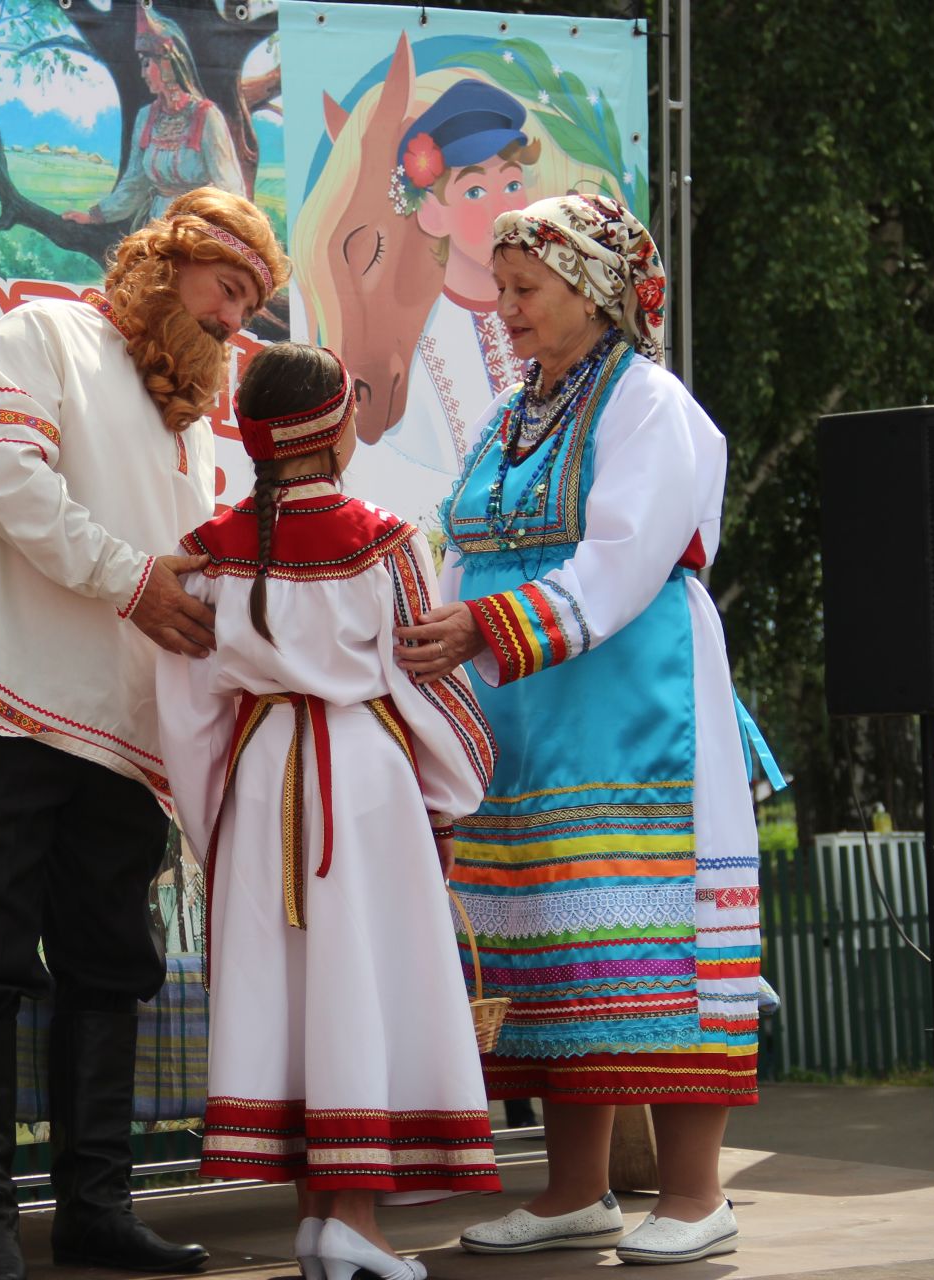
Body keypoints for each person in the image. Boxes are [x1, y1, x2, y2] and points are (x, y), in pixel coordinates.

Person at [0, 185, 286, 1280]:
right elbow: (5, 477)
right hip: (11, 697)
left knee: (111, 965)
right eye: (228, 293)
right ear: (173, 261)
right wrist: (128, 578)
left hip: (127, 729)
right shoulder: (41, 334)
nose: (233, 325)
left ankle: (95, 1209)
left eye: (251, 307)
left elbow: (191, 571)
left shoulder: (189, 422)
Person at [395, 193, 767, 1267]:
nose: (503, 307)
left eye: (525, 289)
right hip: (524, 703)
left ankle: (698, 1194)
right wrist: (438, 646)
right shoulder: (519, 410)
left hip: (629, 692)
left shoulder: (649, 402)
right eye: (502, 287)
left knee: (654, 930)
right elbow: (466, 541)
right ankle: (573, 1188)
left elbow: (626, 553)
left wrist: (484, 624)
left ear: (597, 292)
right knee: (554, 943)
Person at [157, 342, 502, 1280]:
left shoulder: (205, 554)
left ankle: (320, 1220)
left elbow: (187, 717)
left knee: (299, 993)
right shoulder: (384, 541)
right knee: (365, 986)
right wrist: (452, 790)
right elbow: (427, 679)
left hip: (261, 779)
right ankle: (355, 1224)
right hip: (365, 780)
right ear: (334, 429)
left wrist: (216, 829)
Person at [383, 79, 538, 482]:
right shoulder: (416, 345)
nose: (504, 209)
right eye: (474, 192)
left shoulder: (556, 320)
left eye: (512, 184)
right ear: (431, 212)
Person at [64, 7, 244, 231]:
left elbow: (231, 188)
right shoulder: (146, 117)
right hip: (156, 227)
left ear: (168, 63)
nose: (143, 73)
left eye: (147, 64)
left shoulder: (206, 116)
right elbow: (134, 184)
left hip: (200, 231)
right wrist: (94, 216)